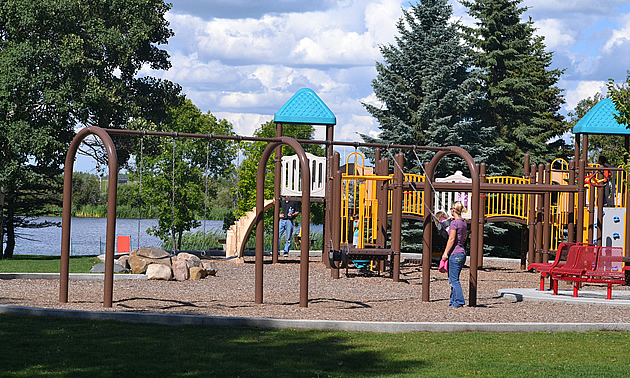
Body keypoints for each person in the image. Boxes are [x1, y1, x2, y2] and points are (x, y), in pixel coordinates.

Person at [441, 201, 468, 308]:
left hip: (454, 253)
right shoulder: (463, 222)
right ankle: (453, 301)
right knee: (453, 278)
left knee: (454, 280)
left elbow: (451, 239)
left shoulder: (454, 223)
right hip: (462, 252)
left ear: (453, 210)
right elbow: (464, 236)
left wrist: (445, 253)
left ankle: (459, 301)